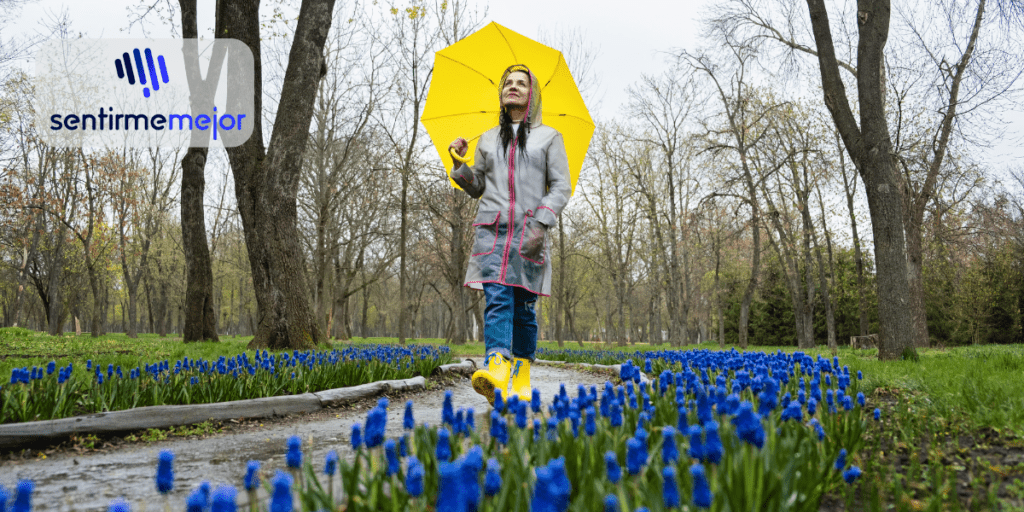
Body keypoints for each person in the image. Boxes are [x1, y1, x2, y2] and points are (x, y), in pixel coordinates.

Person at [448, 64, 571, 405]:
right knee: (498, 298)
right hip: (492, 232)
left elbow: (561, 187)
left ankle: (521, 375)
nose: (512, 87)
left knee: (524, 308)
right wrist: (459, 164)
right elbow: (477, 187)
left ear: (533, 95)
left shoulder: (549, 137)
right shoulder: (487, 139)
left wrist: (541, 223)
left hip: (530, 233)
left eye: (520, 83)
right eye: (508, 83)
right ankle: (496, 366)